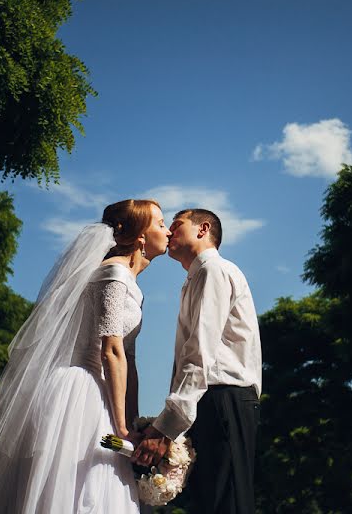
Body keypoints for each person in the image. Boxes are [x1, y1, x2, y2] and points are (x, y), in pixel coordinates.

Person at [0, 199, 171, 513]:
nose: (167, 231)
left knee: (101, 485)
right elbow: (110, 350)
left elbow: (129, 360)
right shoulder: (113, 274)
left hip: (108, 394)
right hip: (81, 391)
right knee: (74, 485)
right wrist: (122, 429)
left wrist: (133, 422)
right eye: (161, 223)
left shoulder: (132, 284)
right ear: (140, 236)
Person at [131, 209, 262, 514]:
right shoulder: (196, 278)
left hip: (223, 398)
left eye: (175, 226)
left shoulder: (212, 271)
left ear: (203, 229)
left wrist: (167, 426)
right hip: (211, 400)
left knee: (226, 503)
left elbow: (199, 351)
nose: (168, 233)